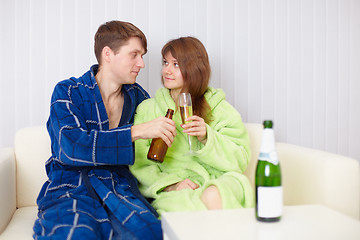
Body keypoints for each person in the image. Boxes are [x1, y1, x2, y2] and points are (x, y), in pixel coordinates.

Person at [33, 21, 176, 240]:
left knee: (149, 233)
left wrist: (171, 183)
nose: (142, 64)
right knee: (74, 235)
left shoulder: (138, 98)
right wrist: (135, 131)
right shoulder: (68, 91)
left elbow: (154, 153)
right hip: (71, 187)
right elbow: (70, 147)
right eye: (135, 55)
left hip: (119, 188)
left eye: (143, 56)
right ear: (108, 54)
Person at [130, 37, 254, 216]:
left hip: (219, 179)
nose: (167, 70)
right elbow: (139, 165)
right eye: (165, 63)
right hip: (177, 186)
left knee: (215, 194)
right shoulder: (148, 109)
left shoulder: (219, 107)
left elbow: (240, 159)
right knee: (182, 207)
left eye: (176, 64)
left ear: (195, 68)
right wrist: (171, 185)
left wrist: (207, 138)